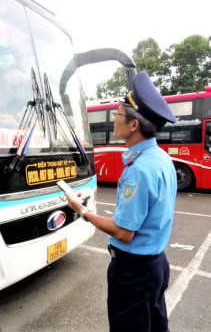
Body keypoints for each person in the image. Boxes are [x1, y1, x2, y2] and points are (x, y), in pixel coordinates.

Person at [64, 71, 177, 332]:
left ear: (133, 125)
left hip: (134, 272)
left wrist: (81, 210)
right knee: (157, 326)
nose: (114, 119)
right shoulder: (160, 158)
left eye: (118, 114)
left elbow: (124, 232)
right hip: (157, 265)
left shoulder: (138, 169)